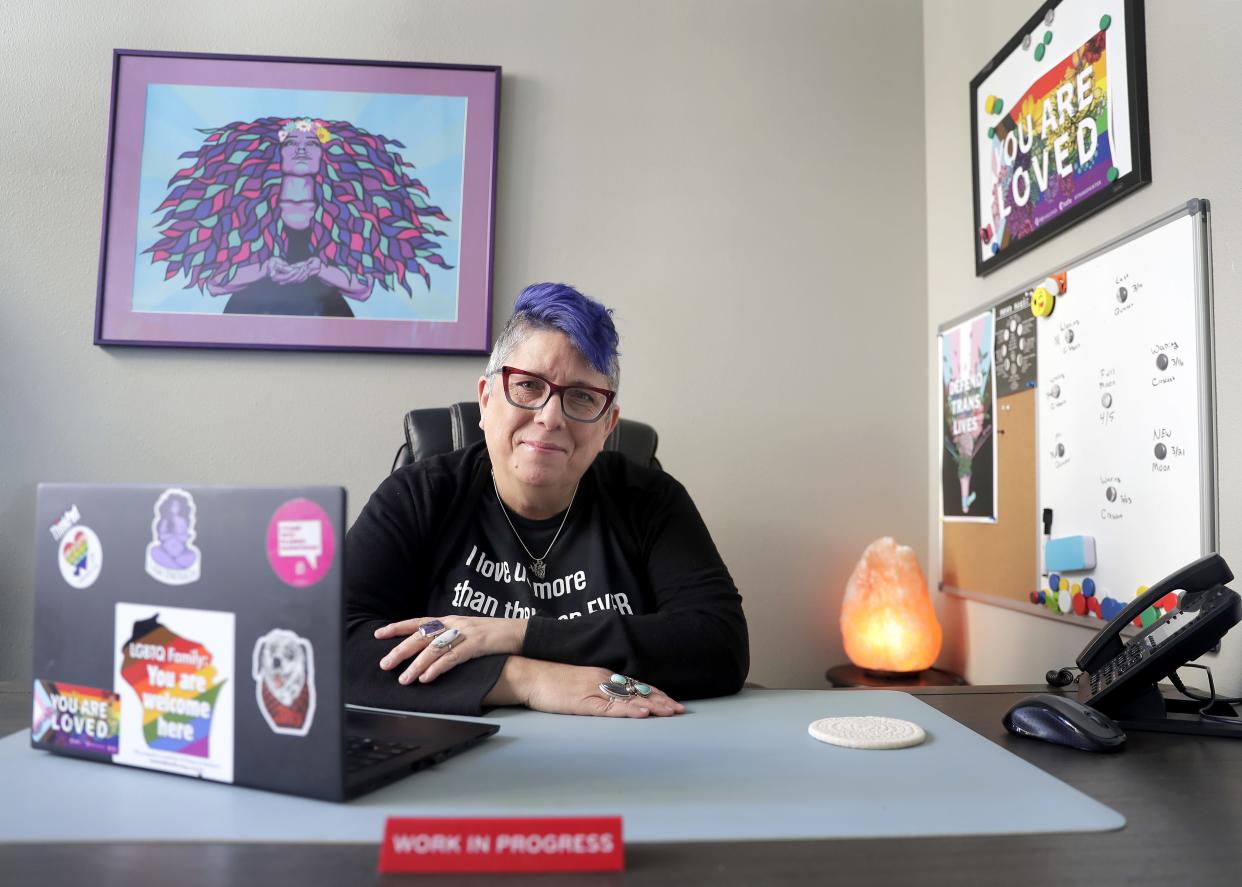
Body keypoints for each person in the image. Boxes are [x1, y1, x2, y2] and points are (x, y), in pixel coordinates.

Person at [345, 283, 749, 717]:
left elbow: (718, 643)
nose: (550, 417)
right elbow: (327, 643)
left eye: (581, 397)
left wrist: (517, 635)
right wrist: (527, 678)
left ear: (607, 425)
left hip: (628, 755)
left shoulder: (651, 499)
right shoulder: (418, 495)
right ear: (486, 399)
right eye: (527, 386)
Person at [145, 116, 453, 316]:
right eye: (292, 143)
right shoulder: (245, 211)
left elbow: (362, 289)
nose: (302, 150)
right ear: (275, 154)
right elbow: (215, 284)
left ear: (325, 155)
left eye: (311, 144)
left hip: (329, 324)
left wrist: (318, 268)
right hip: (248, 321)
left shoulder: (349, 216)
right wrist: (264, 268)